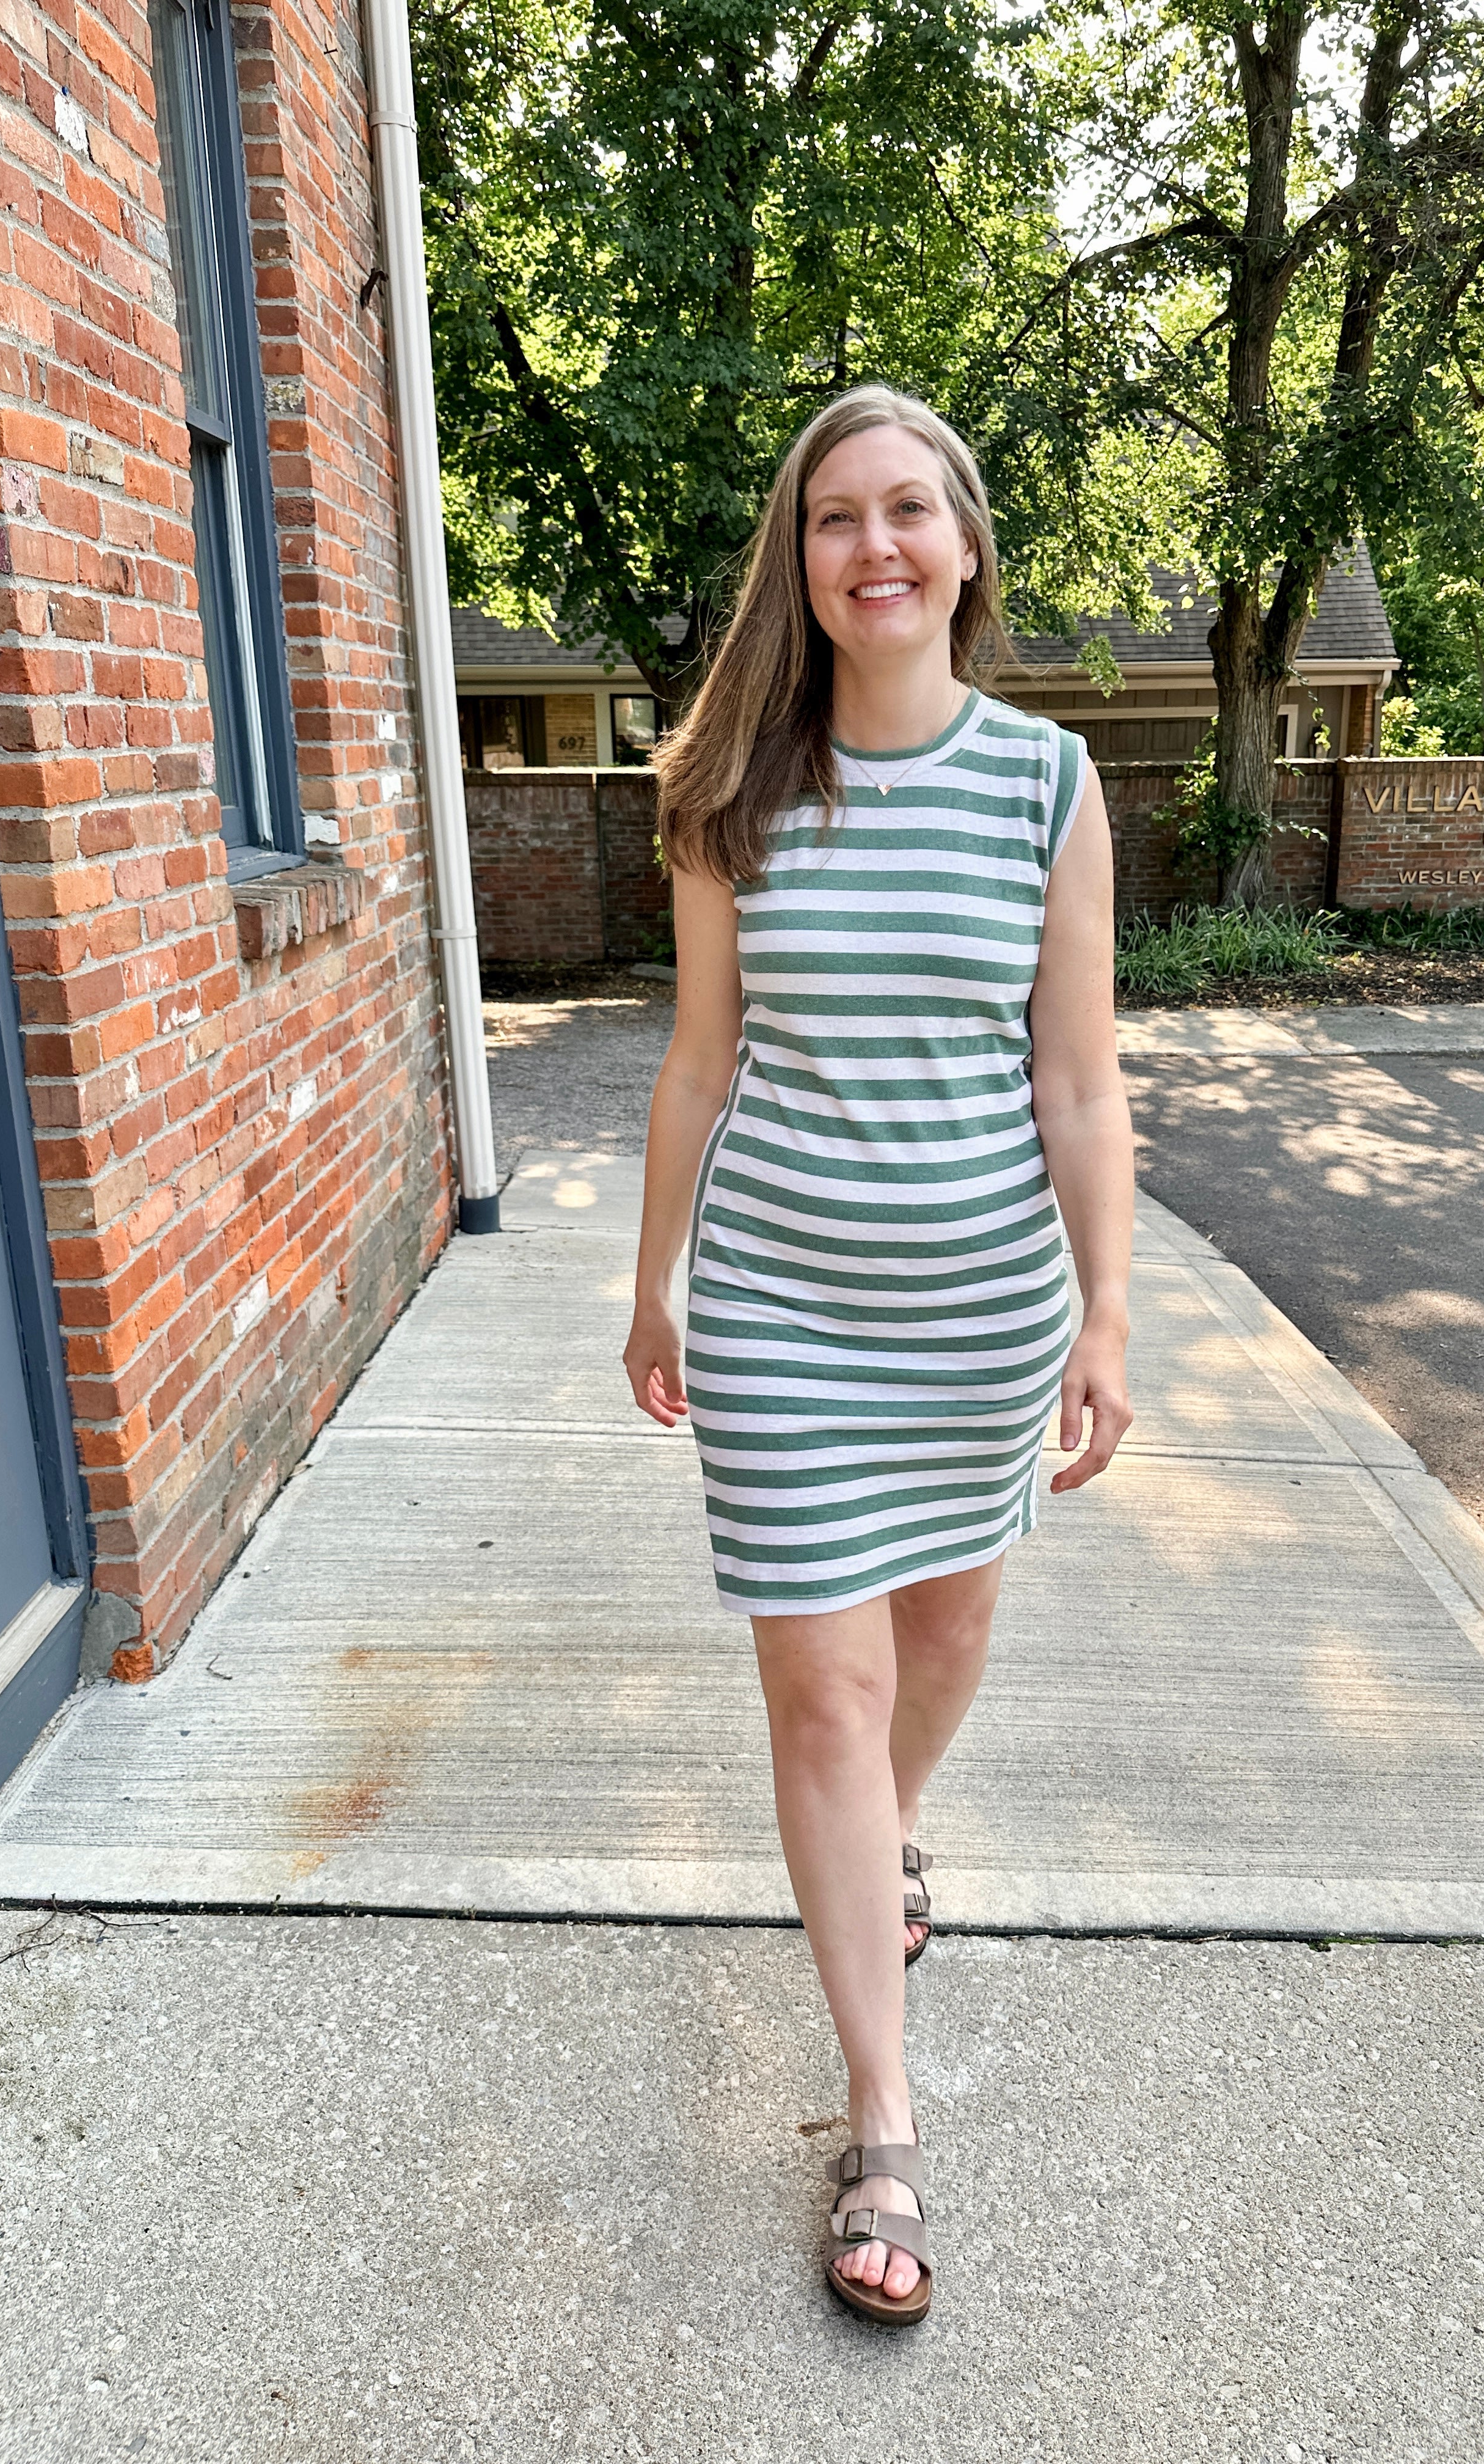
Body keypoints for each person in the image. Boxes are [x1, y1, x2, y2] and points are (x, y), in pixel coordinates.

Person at [623, 386, 1135, 2325]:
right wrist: (654, 1280)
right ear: (803, 563)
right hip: (778, 1309)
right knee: (822, 1702)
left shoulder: (1047, 786)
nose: (876, 546)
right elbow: (697, 1060)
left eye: (908, 509)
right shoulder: (729, 789)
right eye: (836, 519)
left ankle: (889, 1846)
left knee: (942, 1653)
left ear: (966, 542)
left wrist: (1107, 1308)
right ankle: (883, 2113)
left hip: (980, 1318)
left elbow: (1079, 1080)